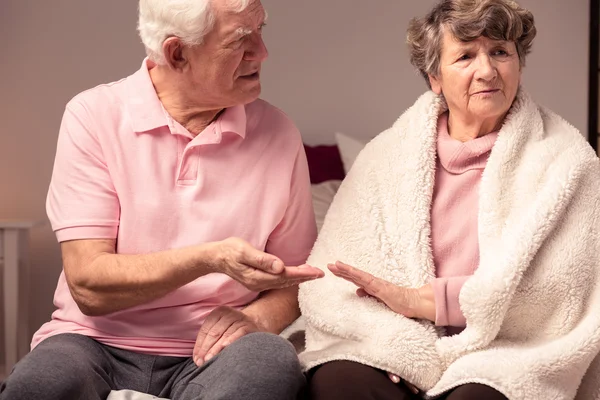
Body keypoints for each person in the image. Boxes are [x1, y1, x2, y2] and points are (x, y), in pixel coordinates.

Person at [0, 0, 325, 399]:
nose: (262, 51)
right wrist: (210, 257)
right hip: (91, 342)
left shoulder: (278, 132)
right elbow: (87, 286)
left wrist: (257, 317)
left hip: (214, 351)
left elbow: (298, 279)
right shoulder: (93, 115)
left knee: (271, 361)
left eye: (260, 30)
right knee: (37, 385)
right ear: (177, 53)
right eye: (241, 38)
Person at [298, 1, 600, 399]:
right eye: (465, 56)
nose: (487, 70)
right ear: (434, 77)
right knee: (339, 383)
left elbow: (559, 292)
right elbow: (332, 283)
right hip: (398, 339)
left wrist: (425, 302)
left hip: (509, 352)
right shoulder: (385, 156)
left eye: (500, 52)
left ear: (519, 63)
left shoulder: (568, 162)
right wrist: (392, 346)